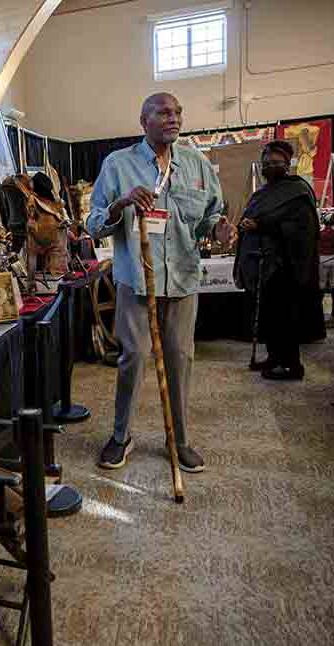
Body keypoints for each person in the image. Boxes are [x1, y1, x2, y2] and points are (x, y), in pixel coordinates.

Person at [86, 93, 236, 473]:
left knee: (180, 360)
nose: (174, 118)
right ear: (144, 120)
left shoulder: (197, 164)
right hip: (136, 281)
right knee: (134, 358)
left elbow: (211, 217)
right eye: (164, 112)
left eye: (178, 112)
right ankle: (121, 437)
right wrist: (120, 204)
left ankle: (179, 439)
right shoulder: (118, 164)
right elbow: (94, 223)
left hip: (183, 280)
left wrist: (219, 229)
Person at [234, 140, 319, 380]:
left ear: (287, 164)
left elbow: (302, 229)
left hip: (286, 267)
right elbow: (250, 217)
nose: (270, 166)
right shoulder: (262, 193)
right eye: (266, 163)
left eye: (275, 163)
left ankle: (292, 366)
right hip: (264, 267)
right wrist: (245, 225)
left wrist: (261, 225)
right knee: (270, 318)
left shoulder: (298, 191)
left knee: (286, 319)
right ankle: (274, 357)